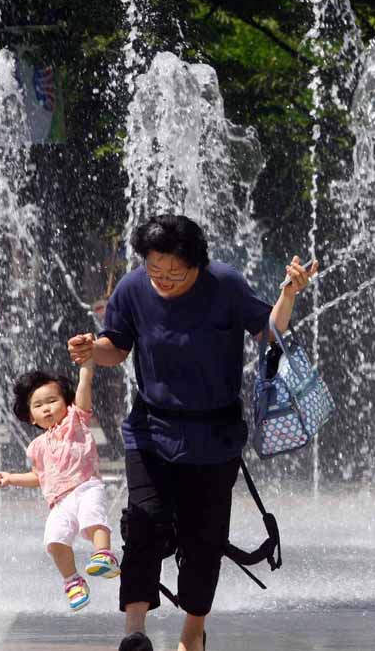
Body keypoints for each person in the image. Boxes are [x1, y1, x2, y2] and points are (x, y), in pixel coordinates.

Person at [67, 214, 317, 651]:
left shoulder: (225, 284)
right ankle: (134, 634)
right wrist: (93, 350)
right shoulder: (132, 289)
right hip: (151, 430)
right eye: (154, 271)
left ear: (196, 263)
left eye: (174, 273)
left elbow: (270, 332)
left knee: (204, 542)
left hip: (214, 436)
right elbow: (117, 347)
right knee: (142, 525)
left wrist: (287, 294)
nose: (162, 280)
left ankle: (191, 636)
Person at [0, 359, 121, 611]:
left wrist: (87, 366)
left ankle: (104, 554)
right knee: (54, 540)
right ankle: (73, 581)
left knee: (92, 518)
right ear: (31, 417)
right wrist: (11, 478)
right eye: (38, 405)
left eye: (53, 401)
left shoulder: (76, 420)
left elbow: (84, 388)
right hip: (59, 502)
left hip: (86, 486)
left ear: (67, 402)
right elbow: (38, 477)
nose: (47, 409)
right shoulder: (37, 446)